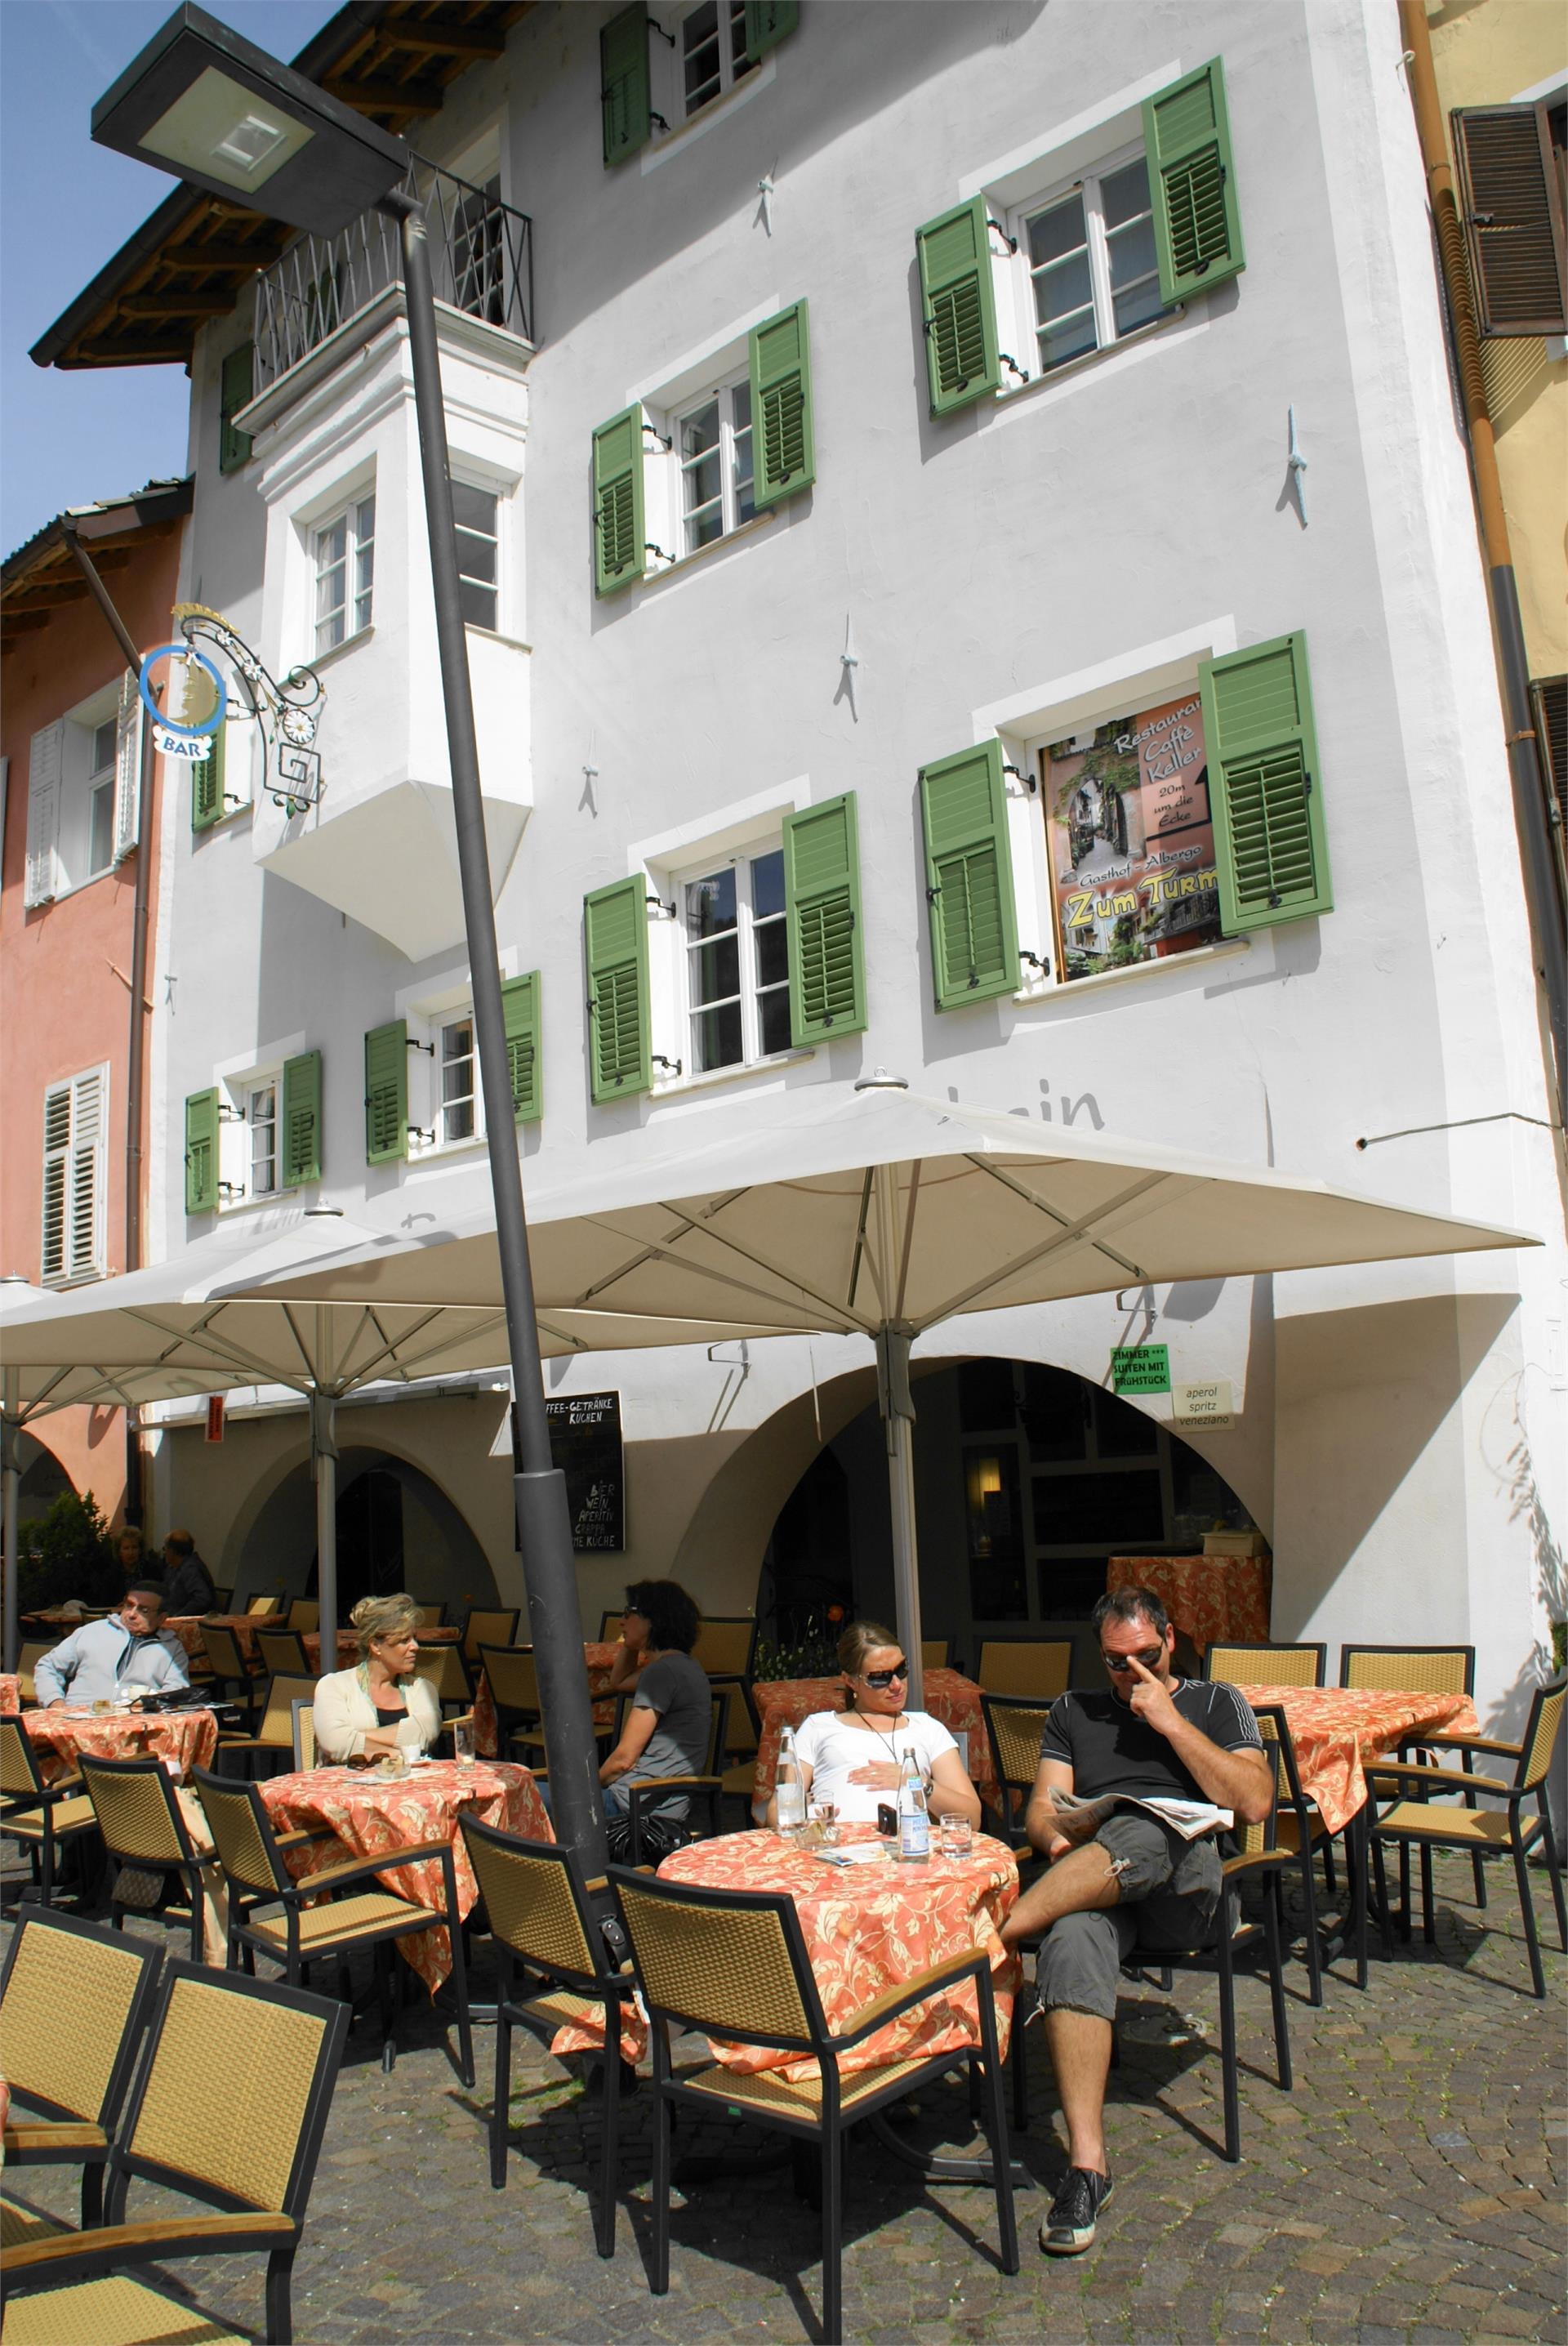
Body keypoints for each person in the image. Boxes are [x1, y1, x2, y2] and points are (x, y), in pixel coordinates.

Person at [999, 1586, 1273, 2257]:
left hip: (1187, 1897)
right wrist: (1057, 1836)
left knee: (1150, 1827)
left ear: (1171, 1639)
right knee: (1070, 1935)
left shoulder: (1215, 1702)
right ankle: (1087, 2168)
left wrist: (1171, 1723)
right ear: (1101, 1656)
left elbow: (1258, 1801)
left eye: (1146, 1657)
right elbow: (1040, 1810)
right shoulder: (1074, 1710)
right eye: (1118, 1663)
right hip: (1100, 1888)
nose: (1133, 1674)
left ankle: (996, 1937)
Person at [764, 1619, 982, 1831]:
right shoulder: (818, 1727)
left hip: (907, 1851)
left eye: (901, 1670)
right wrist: (809, 1823)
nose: (897, 1685)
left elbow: (972, 1818)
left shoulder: (927, 1728)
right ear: (850, 1681)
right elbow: (777, 1811)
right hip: (835, 1854)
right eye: (880, 1677)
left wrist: (916, 1782)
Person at [595, 1581, 710, 1823]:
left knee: (528, 1795)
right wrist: (631, 1643)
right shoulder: (684, 1666)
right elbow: (621, 1680)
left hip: (634, 1806)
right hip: (655, 1804)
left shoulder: (662, 1673)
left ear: (655, 1620)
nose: (620, 1622)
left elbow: (624, 1760)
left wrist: (583, 1792)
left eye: (630, 1613)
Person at [313, 1593, 442, 1763]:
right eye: (404, 1640)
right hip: (348, 1785)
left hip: (406, 1785)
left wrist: (355, 1737)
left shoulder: (421, 1689)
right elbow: (335, 1743)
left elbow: (425, 1732)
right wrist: (398, 1755)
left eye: (414, 1639)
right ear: (375, 1646)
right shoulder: (334, 1686)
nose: (415, 1647)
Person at [33, 1581, 190, 1706]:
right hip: (80, 1718)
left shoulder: (171, 1649)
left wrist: (147, 1706)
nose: (132, 1614)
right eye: (129, 1605)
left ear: (162, 1618)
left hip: (135, 1726)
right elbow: (48, 1666)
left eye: (144, 1610)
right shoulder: (92, 1631)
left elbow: (176, 1693)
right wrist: (55, 1703)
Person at [159, 1529, 216, 1619]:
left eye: (165, 1549)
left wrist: (177, 1617)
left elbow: (202, 1599)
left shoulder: (190, 1569)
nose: (164, 1553)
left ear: (173, 1551)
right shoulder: (173, 1568)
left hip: (188, 1621)